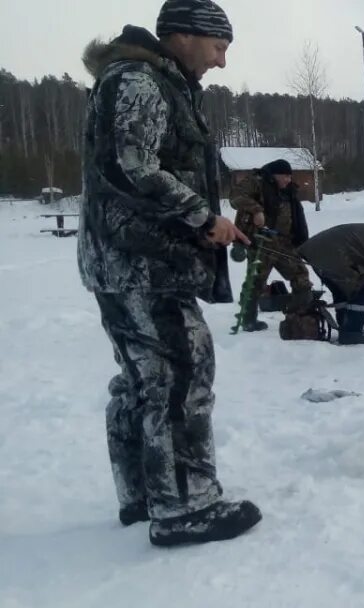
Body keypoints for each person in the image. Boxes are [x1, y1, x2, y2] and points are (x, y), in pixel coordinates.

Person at [78, 0, 262, 546]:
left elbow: (168, 159)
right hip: (142, 262)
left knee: (144, 382)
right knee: (181, 373)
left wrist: (223, 207)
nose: (222, 61)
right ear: (183, 36)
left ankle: (142, 493)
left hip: (129, 260)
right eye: (219, 46)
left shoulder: (155, 83)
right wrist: (203, 215)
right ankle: (184, 506)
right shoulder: (139, 81)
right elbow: (131, 167)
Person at [230, 158, 312, 331]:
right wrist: (256, 210)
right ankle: (248, 319)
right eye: (285, 176)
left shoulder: (289, 191)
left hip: (284, 242)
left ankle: (297, 315)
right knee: (256, 281)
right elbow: (235, 197)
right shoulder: (256, 182)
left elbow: (297, 216)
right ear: (275, 175)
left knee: (301, 276)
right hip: (261, 241)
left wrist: (301, 240)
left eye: (290, 176)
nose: (289, 180)